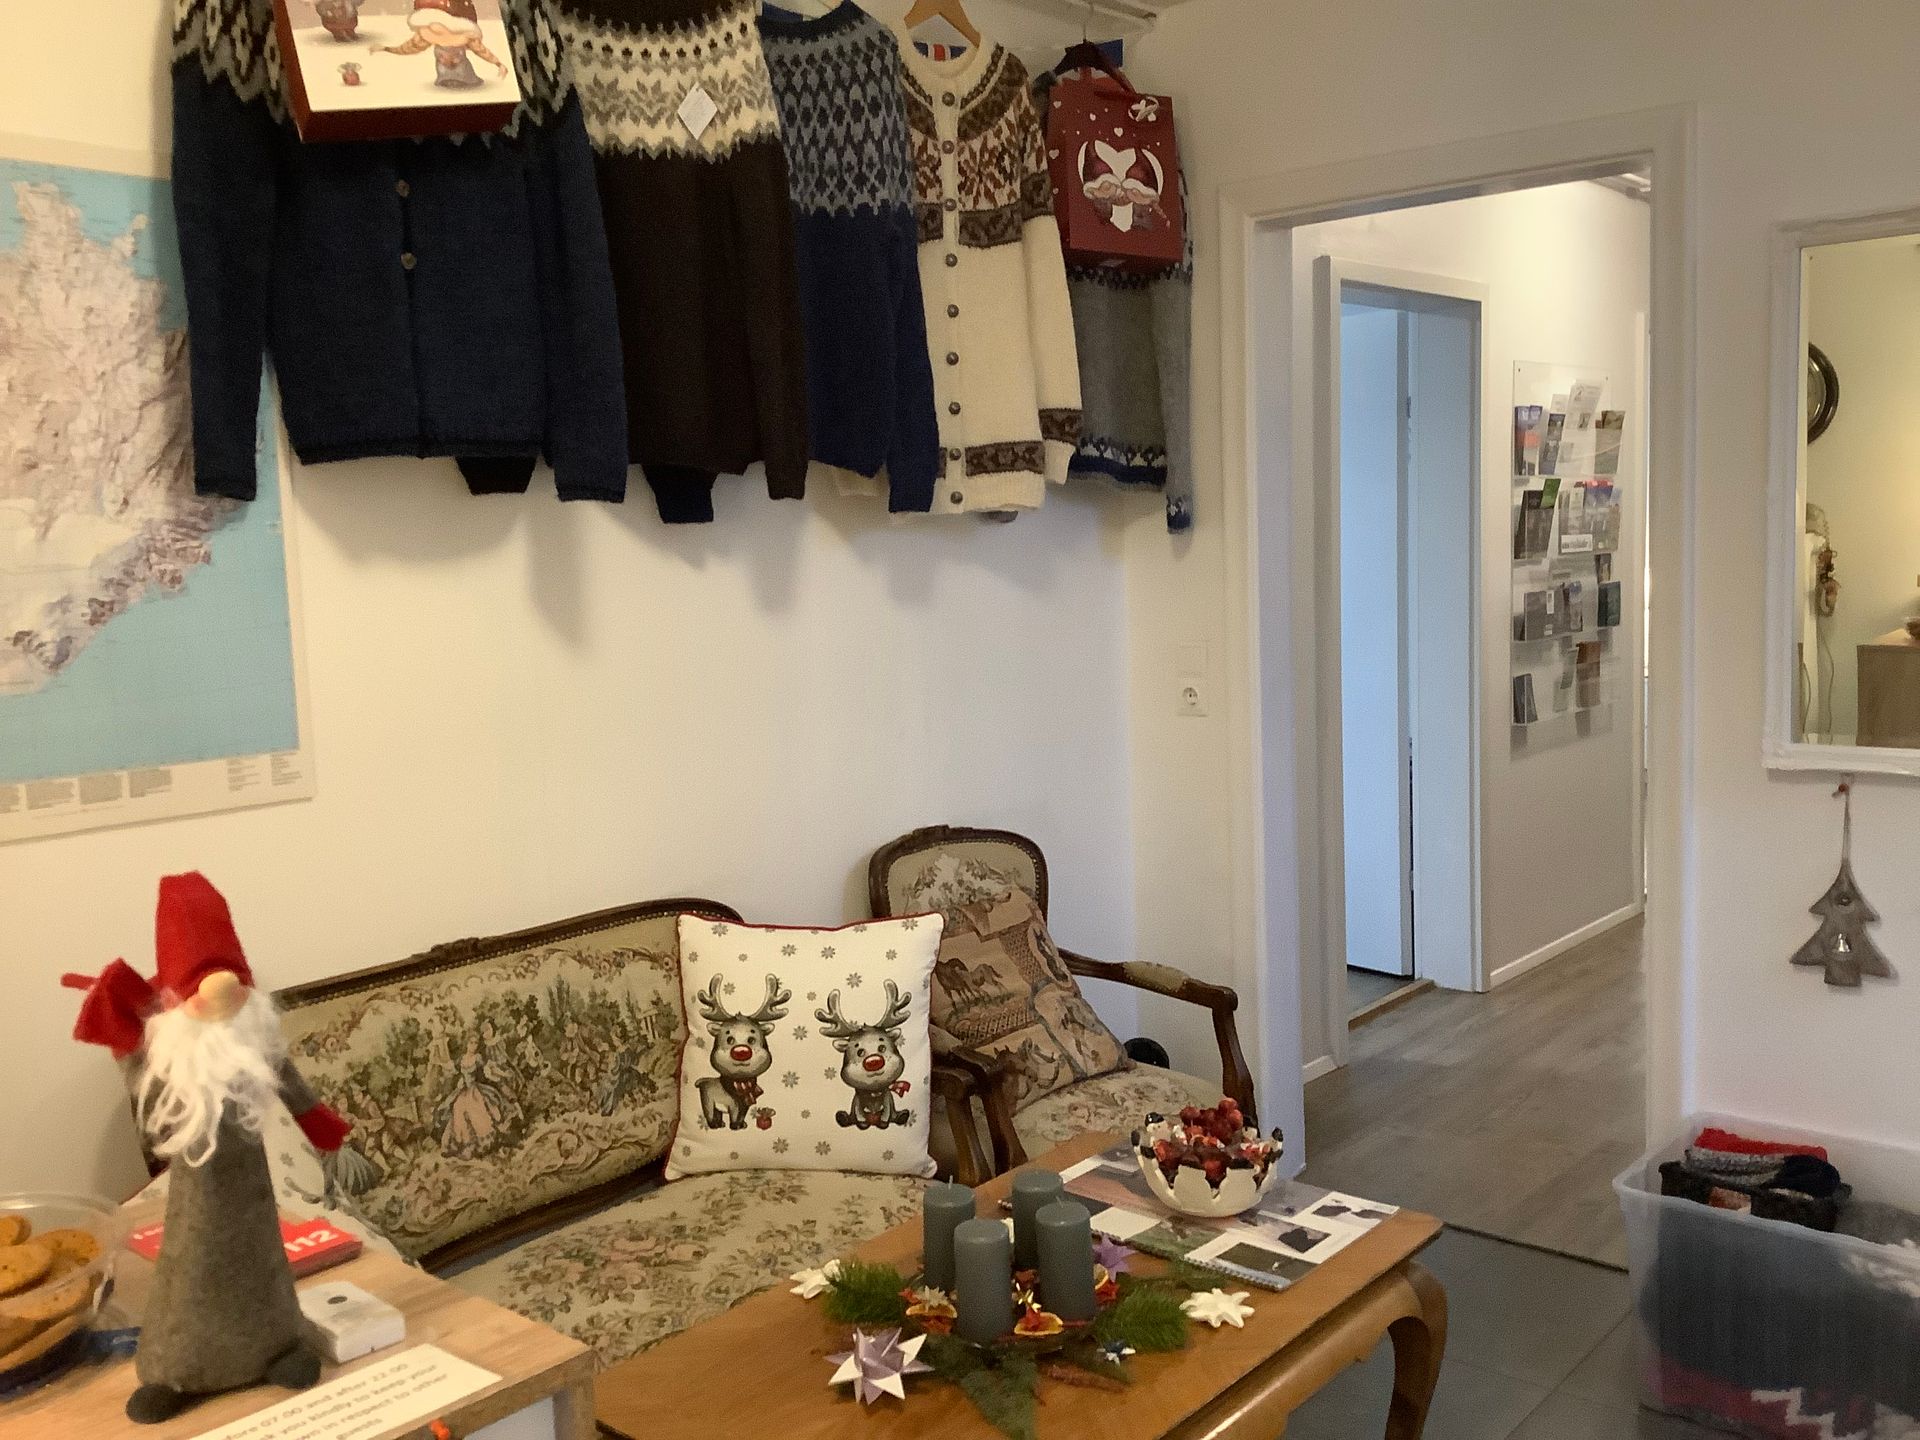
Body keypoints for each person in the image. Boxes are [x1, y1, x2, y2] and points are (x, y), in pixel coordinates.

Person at [63, 874, 351, 1424]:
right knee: (192, 1262)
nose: (222, 997)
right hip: (199, 1190)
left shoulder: (251, 1039)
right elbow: (147, 1102)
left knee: (264, 1256)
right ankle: (176, 1370)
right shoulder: (170, 1055)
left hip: (253, 1187)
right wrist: (123, 1036)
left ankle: (277, 1346)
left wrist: (320, 1125)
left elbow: (287, 1080)